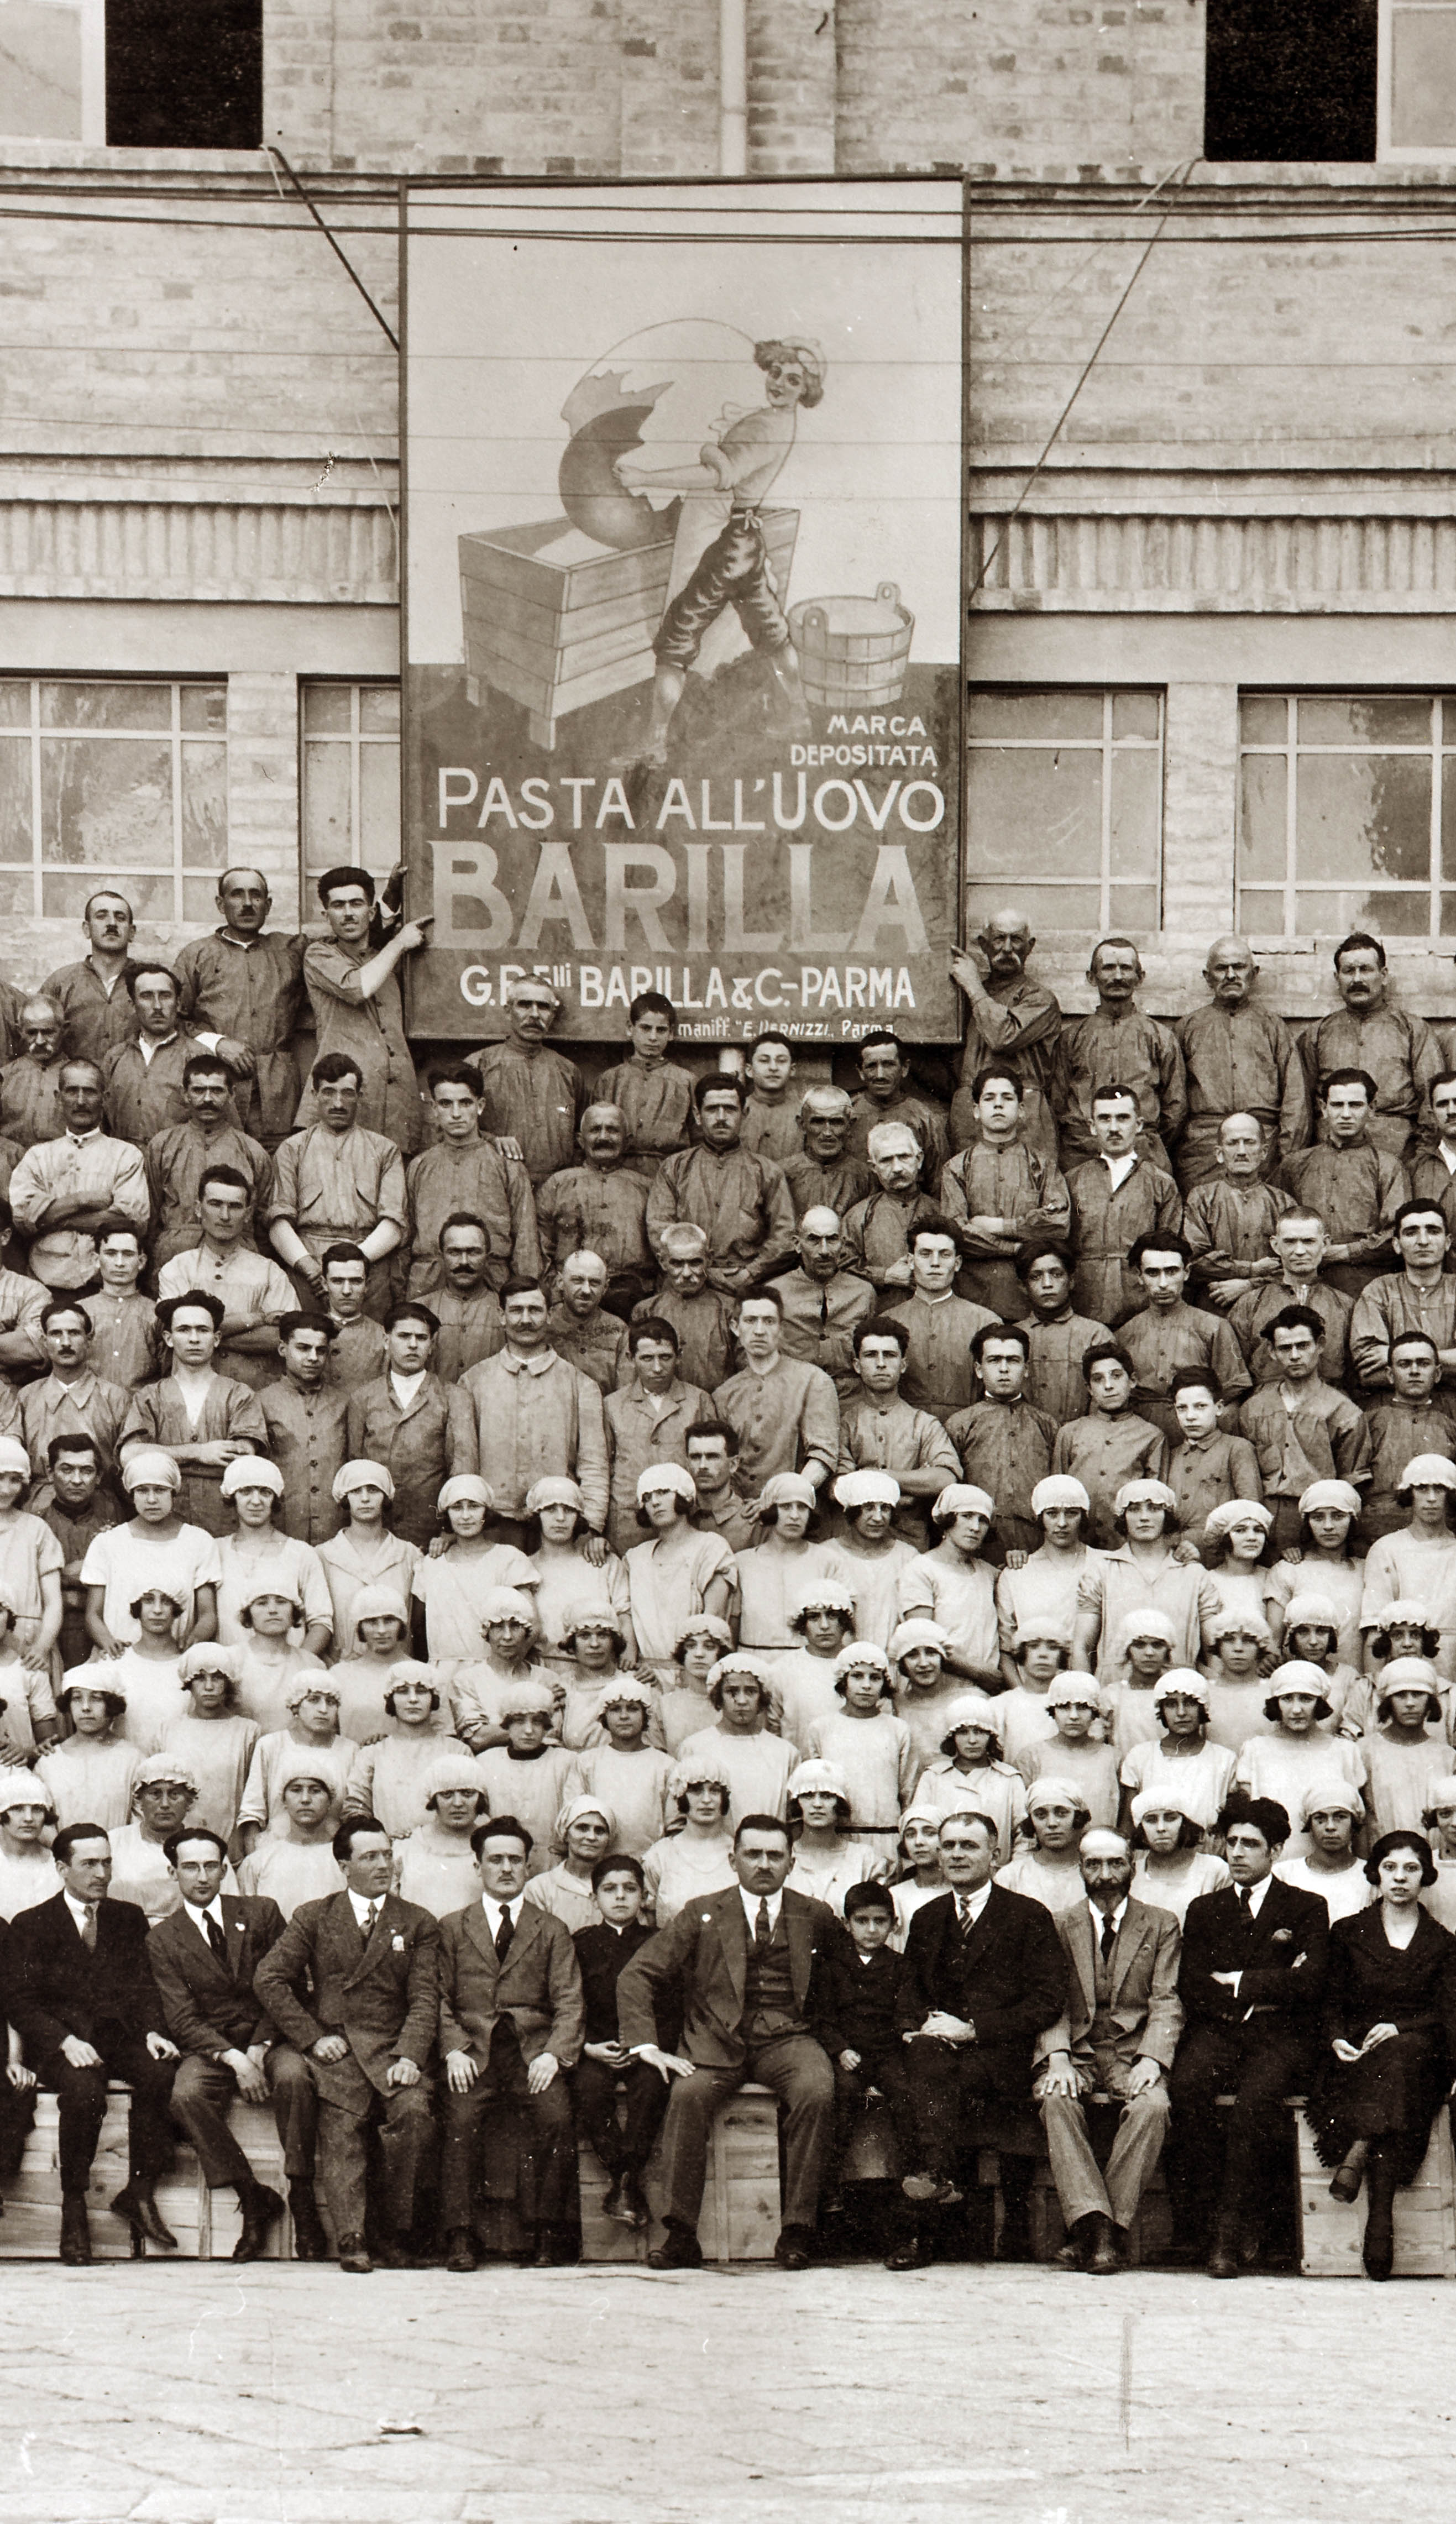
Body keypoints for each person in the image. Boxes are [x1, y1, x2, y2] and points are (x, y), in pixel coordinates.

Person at [618, 1811, 835, 2272]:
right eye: (753, 1854)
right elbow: (638, 1974)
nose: (763, 1864)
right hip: (714, 2041)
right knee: (688, 2095)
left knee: (818, 2090)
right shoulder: (701, 1913)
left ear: (792, 1863)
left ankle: (797, 2230)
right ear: (732, 1858)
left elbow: (840, 1986)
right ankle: (680, 2235)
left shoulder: (814, 1915)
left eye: (775, 1855)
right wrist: (646, 2045)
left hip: (788, 2040)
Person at [253, 1814, 438, 2274]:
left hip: (394, 2051)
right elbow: (270, 1978)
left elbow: (425, 1997)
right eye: (370, 1857)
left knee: (414, 2115)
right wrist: (313, 2038)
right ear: (344, 1865)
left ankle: (394, 2233)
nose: (383, 1866)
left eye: (388, 1856)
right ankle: (351, 2237)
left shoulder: (417, 1922)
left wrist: (412, 2055)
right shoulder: (314, 1916)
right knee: (342, 2125)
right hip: (335, 2049)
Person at [888, 1810, 1069, 2269]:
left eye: (968, 1845)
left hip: (1002, 2053)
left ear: (996, 1854)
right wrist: (916, 2026)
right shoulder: (928, 1918)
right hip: (939, 2050)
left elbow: (1047, 2000)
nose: (956, 1854)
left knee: (923, 2088)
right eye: (948, 1846)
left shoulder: (1027, 1915)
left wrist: (973, 2030)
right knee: (921, 2064)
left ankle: (922, 2221)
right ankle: (936, 2186)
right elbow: (909, 1990)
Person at [3, 1821, 180, 2263]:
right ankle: (74, 2204)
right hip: (62, 2045)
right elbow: (20, 2002)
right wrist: (64, 2041)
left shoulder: (127, 1917)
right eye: (89, 1864)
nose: (102, 1873)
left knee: (161, 2074)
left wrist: (154, 2031)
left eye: (107, 1862)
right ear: (62, 1868)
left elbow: (144, 1987)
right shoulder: (32, 1924)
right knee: (83, 2094)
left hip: (119, 2038)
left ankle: (139, 2188)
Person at [1169, 1793, 1329, 2276]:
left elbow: (1313, 1982)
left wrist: (1238, 1980)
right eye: (1231, 1842)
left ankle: (1232, 2232)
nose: (1237, 1853)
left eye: (1250, 1844)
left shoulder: (1304, 1907)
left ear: (1276, 1851)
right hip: (1218, 2031)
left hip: (1281, 2036)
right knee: (1187, 2088)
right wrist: (1269, 1983)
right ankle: (1199, 2226)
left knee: (1255, 2105)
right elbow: (1193, 1985)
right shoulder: (1204, 1909)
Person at [436, 1807, 586, 2273]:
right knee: (458, 2119)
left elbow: (570, 2002)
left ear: (529, 1866)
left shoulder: (551, 1930)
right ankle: (461, 2236)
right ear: (477, 1866)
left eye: (515, 1860)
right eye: (495, 1860)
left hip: (530, 2052)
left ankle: (545, 2232)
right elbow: (436, 1998)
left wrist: (556, 2056)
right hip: (474, 2052)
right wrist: (453, 2048)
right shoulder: (453, 1928)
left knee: (557, 2118)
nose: (506, 1869)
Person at [1304, 1830, 1456, 2279]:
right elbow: (1330, 2002)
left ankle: (1364, 2162)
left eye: (1411, 1869)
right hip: (1357, 2056)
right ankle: (1380, 2223)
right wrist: (1336, 2040)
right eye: (1390, 1868)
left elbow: (1447, 2015)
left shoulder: (1443, 1944)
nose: (1400, 1878)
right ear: (1376, 1874)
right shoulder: (1348, 1933)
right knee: (1391, 2078)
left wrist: (1400, 2027)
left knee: (1404, 2055)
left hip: (1421, 2055)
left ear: (1425, 1876)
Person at [1035, 1828, 1183, 2273]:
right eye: (1094, 1865)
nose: (1105, 1875)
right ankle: (1099, 2229)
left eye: (1114, 1864)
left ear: (1131, 1867)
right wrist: (1057, 2055)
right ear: (1080, 1869)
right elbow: (1049, 2000)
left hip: (1132, 2054)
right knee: (1054, 2100)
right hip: (1077, 2051)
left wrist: (1153, 2060)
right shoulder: (1058, 1925)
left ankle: (1099, 2232)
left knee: (1153, 2108)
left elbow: (1167, 2000)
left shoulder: (1160, 1923)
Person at [458, 1279, 609, 1549]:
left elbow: (594, 1464)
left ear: (550, 1315)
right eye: (516, 1311)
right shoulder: (473, 1382)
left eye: (535, 1310)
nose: (526, 1320)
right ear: (501, 1316)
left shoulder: (581, 1384)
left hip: (559, 1525)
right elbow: (463, 1464)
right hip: (493, 1527)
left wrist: (592, 1525)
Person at [172, 867, 308, 1154]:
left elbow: (346, 945)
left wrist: (390, 899)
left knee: (275, 1170)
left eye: (256, 896)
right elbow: (174, 1019)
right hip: (218, 1089)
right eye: (237, 895)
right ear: (221, 904)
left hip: (277, 1092)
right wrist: (217, 1043)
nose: (247, 904)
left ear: (268, 905)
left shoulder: (290, 950)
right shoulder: (196, 955)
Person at [572, 1850, 672, 2230]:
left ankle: (624, 2183)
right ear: (594, 1897)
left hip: (646, 2050)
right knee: (589, 2090)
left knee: (652, 2087)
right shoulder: (579, 1943)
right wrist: (588, 2048)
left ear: (644, 1896)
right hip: (597, 2048)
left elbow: (671, 2004)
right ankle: (624, 2176)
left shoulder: (660, 1942)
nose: (620, 1897)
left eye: (630, 1889)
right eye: (609, 1889)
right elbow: (567, 2000)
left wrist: (648, 2047)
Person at [268, 1054, 408, 1322]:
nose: (338, 1103)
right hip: (309, 1268)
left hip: (368, 1268)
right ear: (314, 1095)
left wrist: (355, 1265)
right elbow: (278, 1222)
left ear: (360, 1095)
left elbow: (393, 1224)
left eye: (347, 1094)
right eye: (328, 1093)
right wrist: (310, 1268)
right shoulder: (292, 1149)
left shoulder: (385, 1150)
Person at [299, 866, 428, 1156]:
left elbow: (382, 933)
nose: (348, 914)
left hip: (397, 1103)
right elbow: (357, 987)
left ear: (371, 912)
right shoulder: (320, 954)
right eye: (338, 905)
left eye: (356, 904)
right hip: (343, 1103)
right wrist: (399, 943)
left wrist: (393, 889)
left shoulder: (382, 953)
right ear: (326, 915)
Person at [120, 1292, 268, 1538]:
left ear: (217, 1338)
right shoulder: (150, 1396)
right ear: (168, 1338)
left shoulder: (239, 1394)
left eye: (203, 1330)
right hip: (165, 1516)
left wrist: (163, 1453)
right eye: (184, 1330)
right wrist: (200, 1452)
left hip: (224, 1518)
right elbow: (129, 1454)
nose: (194, 1339)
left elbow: (243, 1453)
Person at [810, 1877, 919, 2211]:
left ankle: (913, 2176)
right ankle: (830, 2184)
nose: (871, 1930)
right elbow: (822, 2017)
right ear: (846, 1924)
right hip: (850, 2056)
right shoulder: (831, 1967)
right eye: (862, 1921)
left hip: (887, 2053)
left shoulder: (901, 1967)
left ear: (894, 1924)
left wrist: (907, 2032)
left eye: (880, 1921)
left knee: (905, 2093)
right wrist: (840, 2049)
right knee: (842, 2097)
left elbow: (907, 2011)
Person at [1175, 938, 1311, 1190]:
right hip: (1203, 1151)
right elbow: (1174, 1101)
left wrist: (1285, 1157)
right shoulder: (1188, 1028)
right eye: (1221, 969)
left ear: (1254, 973)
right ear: (1207, 976)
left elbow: (1296, 1101)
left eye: (1239, 967)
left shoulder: (1274, 1028)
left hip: (1263, 1150)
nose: (1230, 975)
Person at [938, 1065, 1070, 1320]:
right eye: (989, 1098)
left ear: (1021, 1110)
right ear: (976, 1111)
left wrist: (998, 1226)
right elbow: (957, 1234)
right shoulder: (956, 1169)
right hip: (972, 1296)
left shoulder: (1042, 1166)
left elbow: (1058, 1224)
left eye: (1007, 1098)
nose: (998, 1105)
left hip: (1028, 1300)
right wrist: (1019, 1247)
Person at [8, 1056, 150, 1294]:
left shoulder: (126, 1155)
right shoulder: (38, 1156)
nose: (81, 1101)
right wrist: (82, 1201)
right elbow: (23, 1218)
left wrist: (51, 1218)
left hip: (105, 1286)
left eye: (90, 1092)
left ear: (104, 1099)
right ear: (59, 1097)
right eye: (72, 1091)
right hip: (46, 1283)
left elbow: (130, 1221)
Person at [343, 1301, 475, 1553]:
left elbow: (463, 1470)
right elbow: (354, 1465)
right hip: (374, 1531)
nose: (413, 1345)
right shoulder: (363, 1398)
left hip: (431, 1535)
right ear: (386, 1340)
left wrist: (449, 1531)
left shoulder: (453, 1397)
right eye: (404, 1336)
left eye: (422, 1338)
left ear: (432, 1345)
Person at [646, 1074, 795, 1295]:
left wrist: (752, 1272)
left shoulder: (767, 1172)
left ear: (745, 1114)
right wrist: (703, 1270)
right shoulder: (675, 1168)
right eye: (712, 1109)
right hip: (686, 1284)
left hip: (746, 1286)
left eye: (730, 1109)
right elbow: (660, 1228)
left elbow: (785, 1235)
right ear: (697, 1115)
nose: (721, 1117)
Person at [1299, 934, 1442, 1164]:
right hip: (1331, 1154)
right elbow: (1301, 1104)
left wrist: (1421, 1157)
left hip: (1398, 1151)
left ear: (1383, 975)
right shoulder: (1317, 1034)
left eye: (1366, 970)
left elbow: (1432, 1100)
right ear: (1337, 978)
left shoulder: (1413, 1030)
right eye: (1348, 971)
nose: (1357, 979)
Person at [1238, 1308, 1371, 1552]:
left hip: (1315, 1523)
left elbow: (1352, 1483)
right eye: (1285, 1348)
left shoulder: (1344, 1412)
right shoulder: (1254, 1408)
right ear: (1272, 1352)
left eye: (1303, 1345)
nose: (1295, 1355)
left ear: (1319, 1345)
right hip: (1259, 1522)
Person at [155, 1163, 297, 1392]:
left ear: (248, 1214)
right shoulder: (178, 1269)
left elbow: (283, 1340)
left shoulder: (269, 1272)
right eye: (215, 1204)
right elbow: (174, 1333)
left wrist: (203, 1335)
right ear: (199, 1209)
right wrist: (257, 1318)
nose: (225, 1216)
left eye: (235, 1206)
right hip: (191, 1395)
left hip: (255, 1394)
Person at [406, 1065, 541, 1298]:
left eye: (465, 1103)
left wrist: (525, 1293)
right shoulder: (420, 1166)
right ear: (434, 1108)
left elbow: (526, 1241)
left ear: (480, 1106)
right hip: (429, 1280)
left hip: (492, 1279)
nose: (456, 1114)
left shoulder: (507, 1166)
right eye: (446, 1104)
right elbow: (406, 1235)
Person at [1279, 1069, 1407, 1303]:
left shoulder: (1388, 1167)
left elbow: (1396, 1234)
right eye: (1337, 1105)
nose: (1346, 1114)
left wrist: (1346, 1252)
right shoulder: (1295, 1165)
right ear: (1323, 1108)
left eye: (1356, 1105)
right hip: (1303, 1284)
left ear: (1372, 1108)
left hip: (1363, 1287)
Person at [1072, 1478, 1218, 1684]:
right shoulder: (1102, 1571)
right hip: (1115, 1691)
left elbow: (1215, 1650)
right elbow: (1081, 1646)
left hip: (1179, 1695)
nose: (1144, 1518)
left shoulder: (1195, 1574)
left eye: (1154, 1509)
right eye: (1134, 1510)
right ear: (1123, 1517)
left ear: (1167, 1516)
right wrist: (1083, 1694)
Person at [949, 908, 1062, 1167]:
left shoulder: (1040, 999)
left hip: (1025, 1113)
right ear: (984, 945)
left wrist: (974, 987)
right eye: (999, 939)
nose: (1008, 948)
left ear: (1030, 946)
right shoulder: (963, 997)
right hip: (972, 1111)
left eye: (1017, 940)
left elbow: (1003, 1036)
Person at [79, 1447, 220, 1656]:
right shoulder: (108, 1543)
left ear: (174, 1492)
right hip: (120, 1658)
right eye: (143, 1491)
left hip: (174, 1657)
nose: (152, 1500)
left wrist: (193, 1641)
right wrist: (109, 1643)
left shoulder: (198, 1542)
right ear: (131, 1495)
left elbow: (208, 1614)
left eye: (160, 1490)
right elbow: (93, 1613)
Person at [1065, 1083, 1183, 1331]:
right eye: (1105, 1119)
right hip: (1085, 1306)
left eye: (1123, 1118)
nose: (1114, 1128)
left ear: (1139, 1125)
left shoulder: (1161, 1183)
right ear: (1091, 1126)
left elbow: (1170, 1248)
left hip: (1141, 1308)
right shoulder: (1072, 1182)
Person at [836, 1316, 959, 1550]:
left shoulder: (924, 1424)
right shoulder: (844, 1423)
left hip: (910, 1546)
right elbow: (836, 1487)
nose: (881, 1364)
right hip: (853, 1548)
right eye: (871, 1355)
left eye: (889, 1355)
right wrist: (910, 1485)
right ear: (857, 1365)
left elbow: (945, 1478)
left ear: (903, 1365)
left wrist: (880, 1476)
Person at [1117, 1234, 1251, 1444]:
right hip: (1140, 1441)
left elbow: (1231, 1398)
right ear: (1139, 1276)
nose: (1163, 1283)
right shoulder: (1124, 1335)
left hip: (1197, 1440)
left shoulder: (1214, 1327)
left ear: (1186, 1273)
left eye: (1172, 1272)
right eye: (1153, 1273)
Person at [145, 1055, 273, 1277]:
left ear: (231, 1094)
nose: (207, 1099)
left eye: (217, 1091)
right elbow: (151, 1214)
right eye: (198, 1091)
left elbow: (264, 1221)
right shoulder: (163, 1146)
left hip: (237, 1260)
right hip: (175, 1258)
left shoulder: (252, 1151)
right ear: (185, 1094)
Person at [102, 963, 242, 1151]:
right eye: (147, 996)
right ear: (133, 1005)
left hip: (179, 1164)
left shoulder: (199, 1056)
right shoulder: (115, 1058)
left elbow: (227, 1129)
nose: (157, 1006)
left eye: (165, 996)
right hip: (126, 1168)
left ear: (178, 1003)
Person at [602, 1320, 711, 1561]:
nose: (658, 1367)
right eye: (647, 1358)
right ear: (631, 1359)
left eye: (666, 1357)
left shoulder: (698, 1401)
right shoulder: (612, 1405)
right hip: (629, 1522)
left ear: (679, 1356)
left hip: (684, 1519)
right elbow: (601, 1467)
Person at [713, 1287, 839, 1495]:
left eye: (769, 1321)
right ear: (735, 1327)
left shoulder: (813, 1381)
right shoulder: (724, 1394)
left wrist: (785, 1498)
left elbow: (823, 1456)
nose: (760, 1331)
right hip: (739, 1513)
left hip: (793, 1510)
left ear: (781, 1329)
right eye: (751, 1320)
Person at [1234, 1663, 1367, 1857]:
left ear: (1319, 1703)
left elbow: (1358, 1825)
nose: (1297, 1709)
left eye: (1306, 1699)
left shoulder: (1345, 1751)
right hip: (1273, 1868)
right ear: (1276, 1703)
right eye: (1287, 1699)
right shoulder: (1256, 1749)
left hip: (1330, 1868)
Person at [947, 1325, 1057, 1559]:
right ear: (979, 1369)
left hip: (1037, 1547)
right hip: (979, 1546)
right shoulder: (960, 1425)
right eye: (994, 1360)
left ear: (1026, 1369)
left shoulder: (1047, 1425)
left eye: (1013, 1361)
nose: (1004, 1369)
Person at [536, 1106, 654, 1322]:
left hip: (634, 1299)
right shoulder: (558, 1185)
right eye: (595, 1130)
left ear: (627, 1140)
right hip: (569, 1299)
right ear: (581, 1140)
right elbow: (541, 1247)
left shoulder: (647, 1188)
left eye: (612, 1130)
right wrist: (554, 1295)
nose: (603, 1137)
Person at [468, 977, 585, 1190]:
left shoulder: (568, 1071)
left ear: (552, 1015)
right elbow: (452, 1127)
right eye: (524, 1005)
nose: (534, 1015)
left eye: (543, 1007)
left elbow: (582, 1134)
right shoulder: (479, 1065)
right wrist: (493, 1140)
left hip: (557, 1188)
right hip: (496, 1182)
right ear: (507, 1010)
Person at [879, 1213, 996, 1424]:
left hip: (970, 1430)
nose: (935, 1263)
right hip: (902, 1431)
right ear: (910, 1261)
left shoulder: (985, 1322)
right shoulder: (888, 1322)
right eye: (925, 1254)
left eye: (944, 1255)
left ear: (957, 1263)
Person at [994, 1472, 1101, 1687]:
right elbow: (1005, 1650)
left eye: (1071, 1513)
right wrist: (1023, 1696)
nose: (1062, 1523)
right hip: (1033, 1688)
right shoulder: (1017, 1573)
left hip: (1090, 1687)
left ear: (1083, 1517)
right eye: (1052, 1513)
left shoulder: (1104, 1565)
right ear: (1040, 1518)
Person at [1228, 1211, 1352, 1389]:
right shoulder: (1250, 1304)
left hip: (1328, 1407)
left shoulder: (1345, 1305)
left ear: (1325, 1244)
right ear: (1276, 1245)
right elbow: (1236, 1375)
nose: (1300, 1251)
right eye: (1290, 1242)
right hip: (1267, 1408)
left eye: (1308, 1241)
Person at [1181, 1114, 1294, 1310]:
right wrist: (1250, 1269)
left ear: (1264, 1152)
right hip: (1215, 1304)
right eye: (1233, 1143)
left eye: (1250, 1143)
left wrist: (1249, 1285)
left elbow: (1295, 1262)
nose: (1241, 1151)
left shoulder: (1283, 1202)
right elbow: (1194, 1260)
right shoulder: (1201, 1198)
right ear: (1219, 1153)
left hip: (1269, 1306)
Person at [256, 1313, 349, 1549]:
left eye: (321, 1350)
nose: (313, 1358)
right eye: (303, 1348)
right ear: (282, 1349)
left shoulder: (345, 1403)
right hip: (281, 1533)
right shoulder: (261, 1402)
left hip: (335, 1534)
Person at [316, 1462, 419, 1667]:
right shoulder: (323, 1555)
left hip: (399, 1673)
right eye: (356, 1491)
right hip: (342, 1669)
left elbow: (417, 1621)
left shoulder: (409, 1554)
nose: (365, 1499)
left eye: (373, 1490)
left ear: (386, 1496)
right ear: (345, 1497)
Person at [899, 1483, 1001, 1687]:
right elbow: (921, 1639)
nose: (975, 1527)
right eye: (967, 1516)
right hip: (938, 1688)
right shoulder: (921, 1570)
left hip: (984, 1691)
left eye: (983, 1520)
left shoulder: (988, 1573)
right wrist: (977, 1671)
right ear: (948, 1520)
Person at [678, 1653, 799, 1823]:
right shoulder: (695, 1747)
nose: (742, 1701)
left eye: (751, 1692)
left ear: (762, 1697)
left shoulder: (785, 1753)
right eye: (732, 1692)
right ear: (719, 1696)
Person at [161, 1645, 260, 1848]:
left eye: (216, 1678)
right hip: (180, 1843)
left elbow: (254, 1797)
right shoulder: (169, 1731)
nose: (209, 1687)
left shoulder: (248, 1732)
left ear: (228, 1682)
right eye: (200, 1678)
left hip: (231, 1844)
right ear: (189, 1682)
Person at [773, 1206, 877, 1399]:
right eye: (814, 1240)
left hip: (850, 1400)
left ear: (843, 1244)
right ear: (797, 1244)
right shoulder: (775, 1293)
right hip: (792, 1396)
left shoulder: (864, 1293)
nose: (824, 1251)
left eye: (832, 1239)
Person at [1352, 1201, 1456, 1393]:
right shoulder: (1378, 1291)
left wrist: (1395, 1357)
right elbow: (1369, 1372)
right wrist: (1447, 1361)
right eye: (1411, 1232)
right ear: (1397, 1245)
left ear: (1448, 1242)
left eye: (1433, 1231)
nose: (1423, 1241)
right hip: (1392, 1410)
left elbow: (1384, 1368)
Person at [910, 1688, 1028, 1858]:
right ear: (952, 1737)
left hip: (997, 1872)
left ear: (991, 1735)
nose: (972, 1740)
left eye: (979, 1732)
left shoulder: (1009, 1779)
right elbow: (920, 1827)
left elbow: (1024, 1834)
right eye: (963, 1732)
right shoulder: (934, 1777)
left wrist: (1011, 1872)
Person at [1362, 1332, 1456, 1541]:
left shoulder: (1451, 1421)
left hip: (1444, 1537)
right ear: (1390, 1374)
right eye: (1405, 1365)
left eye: (1423, 1364)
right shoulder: (1368, 1421)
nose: (1414, 1371)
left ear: (1438, 1373)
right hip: (1379, 1535)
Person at [19, 1298, 129, 1476]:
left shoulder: (115, 1398)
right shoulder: (27, 1397)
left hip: (102, 1498)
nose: (66, 1343)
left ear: (89, 1339)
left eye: (74, 1333)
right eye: (56, 1334)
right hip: (39, 1498)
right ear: (44, 1341)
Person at [1118, 1669, 1237, 1834]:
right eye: (1172, 1704)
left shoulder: (1224, 1759)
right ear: (1162, 1710)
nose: (1181, 1713)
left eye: (1190, 1703)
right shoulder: (1141, 1757)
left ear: (1202, 1707)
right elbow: (1129, 1824)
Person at [841, 1127, 951, 1298]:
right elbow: (842, 1265)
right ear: (873, 1167)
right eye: (886, 1160)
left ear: (919, 1159)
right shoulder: (859, 1216)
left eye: (904, 1157)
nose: (897, 1168)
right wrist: (884, 1276)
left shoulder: (943, 1212)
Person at [594, 990, 694, 1178]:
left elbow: (698, 1139)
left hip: (669, 1173)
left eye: (661, 1030)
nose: (653, 1038)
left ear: (671, 1034)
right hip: (617, 1173)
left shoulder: (686, 1081)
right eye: (646, 1028)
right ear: (630, 1029)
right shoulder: (609, 1080)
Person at [235, 1755, 348, 1921]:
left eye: (316, 1791)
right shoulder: (258, 1863)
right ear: (284, 1800)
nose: (305, 1799)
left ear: (330, 1801)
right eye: (296, 1790)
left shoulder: (344, 1862)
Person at [1012, 1243, 1113, 1427]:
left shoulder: (1095, 1334)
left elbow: (1104, 1403)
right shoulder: (1014, 1336)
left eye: (1057, 1274)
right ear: (1023, 1286)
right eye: (1036, 1277)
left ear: (1071, 1280)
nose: (1047, 1284)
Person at [41, 891, 140, 1072]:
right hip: (76, 1092)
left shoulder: (148, 982)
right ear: (87, 929)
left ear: (132, 932)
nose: (112, 923)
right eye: (101, 916)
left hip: (131, 1092)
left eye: (120, 918)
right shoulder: (60, 983)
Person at [1165, 1371, 1264, 1552]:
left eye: (1200, 1406)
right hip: (1173, 1556)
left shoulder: (1237, 1449)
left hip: (1218, 1556)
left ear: (1218, 1408)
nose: (1190, 1416)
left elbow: (1250, 1512)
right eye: (1182, 1408)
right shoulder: (1172, 1454)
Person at [635, 1224, 736, 1394]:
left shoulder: (729, 1309)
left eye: (695, 1262)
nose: (687, 1273)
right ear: (663, 1262)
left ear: (709, 1259)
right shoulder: (646, 1311)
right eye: (677, 1263)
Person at [1017, 1673, 1121, 1829]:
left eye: (1083, 1707)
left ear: (1095, 1712)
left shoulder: (1113, 1757)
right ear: (1053, 1711)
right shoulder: (1032, 1756)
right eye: (1064, 1707)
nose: (1074, 1716)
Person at [394, 1755, 491, 1922]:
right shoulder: (407, 1847)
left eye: (468, 1794)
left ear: (480, 1798)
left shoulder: (492, 1846)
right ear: (433, 1800)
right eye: (447, 1794)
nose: (458, 1803)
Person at [845, 1033, 950, 1186]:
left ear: (904, 1068)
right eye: (871, 1066)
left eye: (888, 1065)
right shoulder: (846, 1113)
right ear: (861, 1072)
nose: (880, 1075)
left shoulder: (925, 1119)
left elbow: (938, 1182)